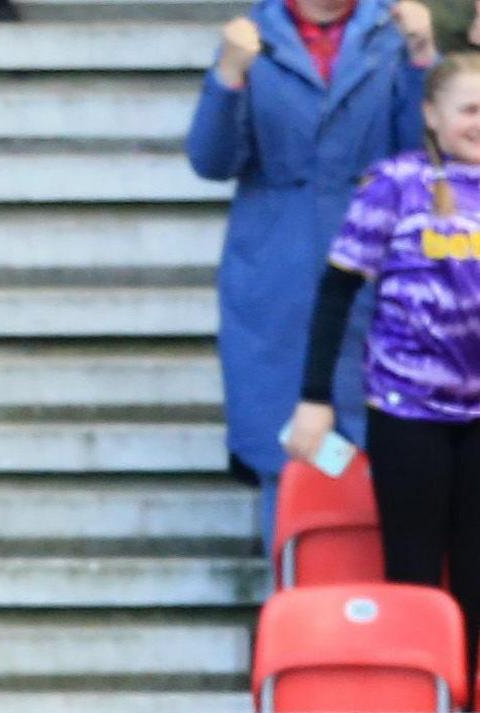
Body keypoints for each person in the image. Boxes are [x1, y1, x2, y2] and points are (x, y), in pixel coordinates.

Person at [187, 0, 436, 549]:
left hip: (378, 263)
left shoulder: (388, 34)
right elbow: (211, 160)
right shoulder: (254, 35)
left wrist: (422, 59)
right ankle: (295, 612)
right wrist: (228, 76)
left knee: (394, 453)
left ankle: (388, 620)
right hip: (277, 273)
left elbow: (427, 156)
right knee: (290, 454)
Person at [285, 53, 480, 676]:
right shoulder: (395, 182)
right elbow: (338, 289)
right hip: (407, 410)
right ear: (432, 114)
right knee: (416, 573)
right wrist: (315, 395)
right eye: (469, 109)